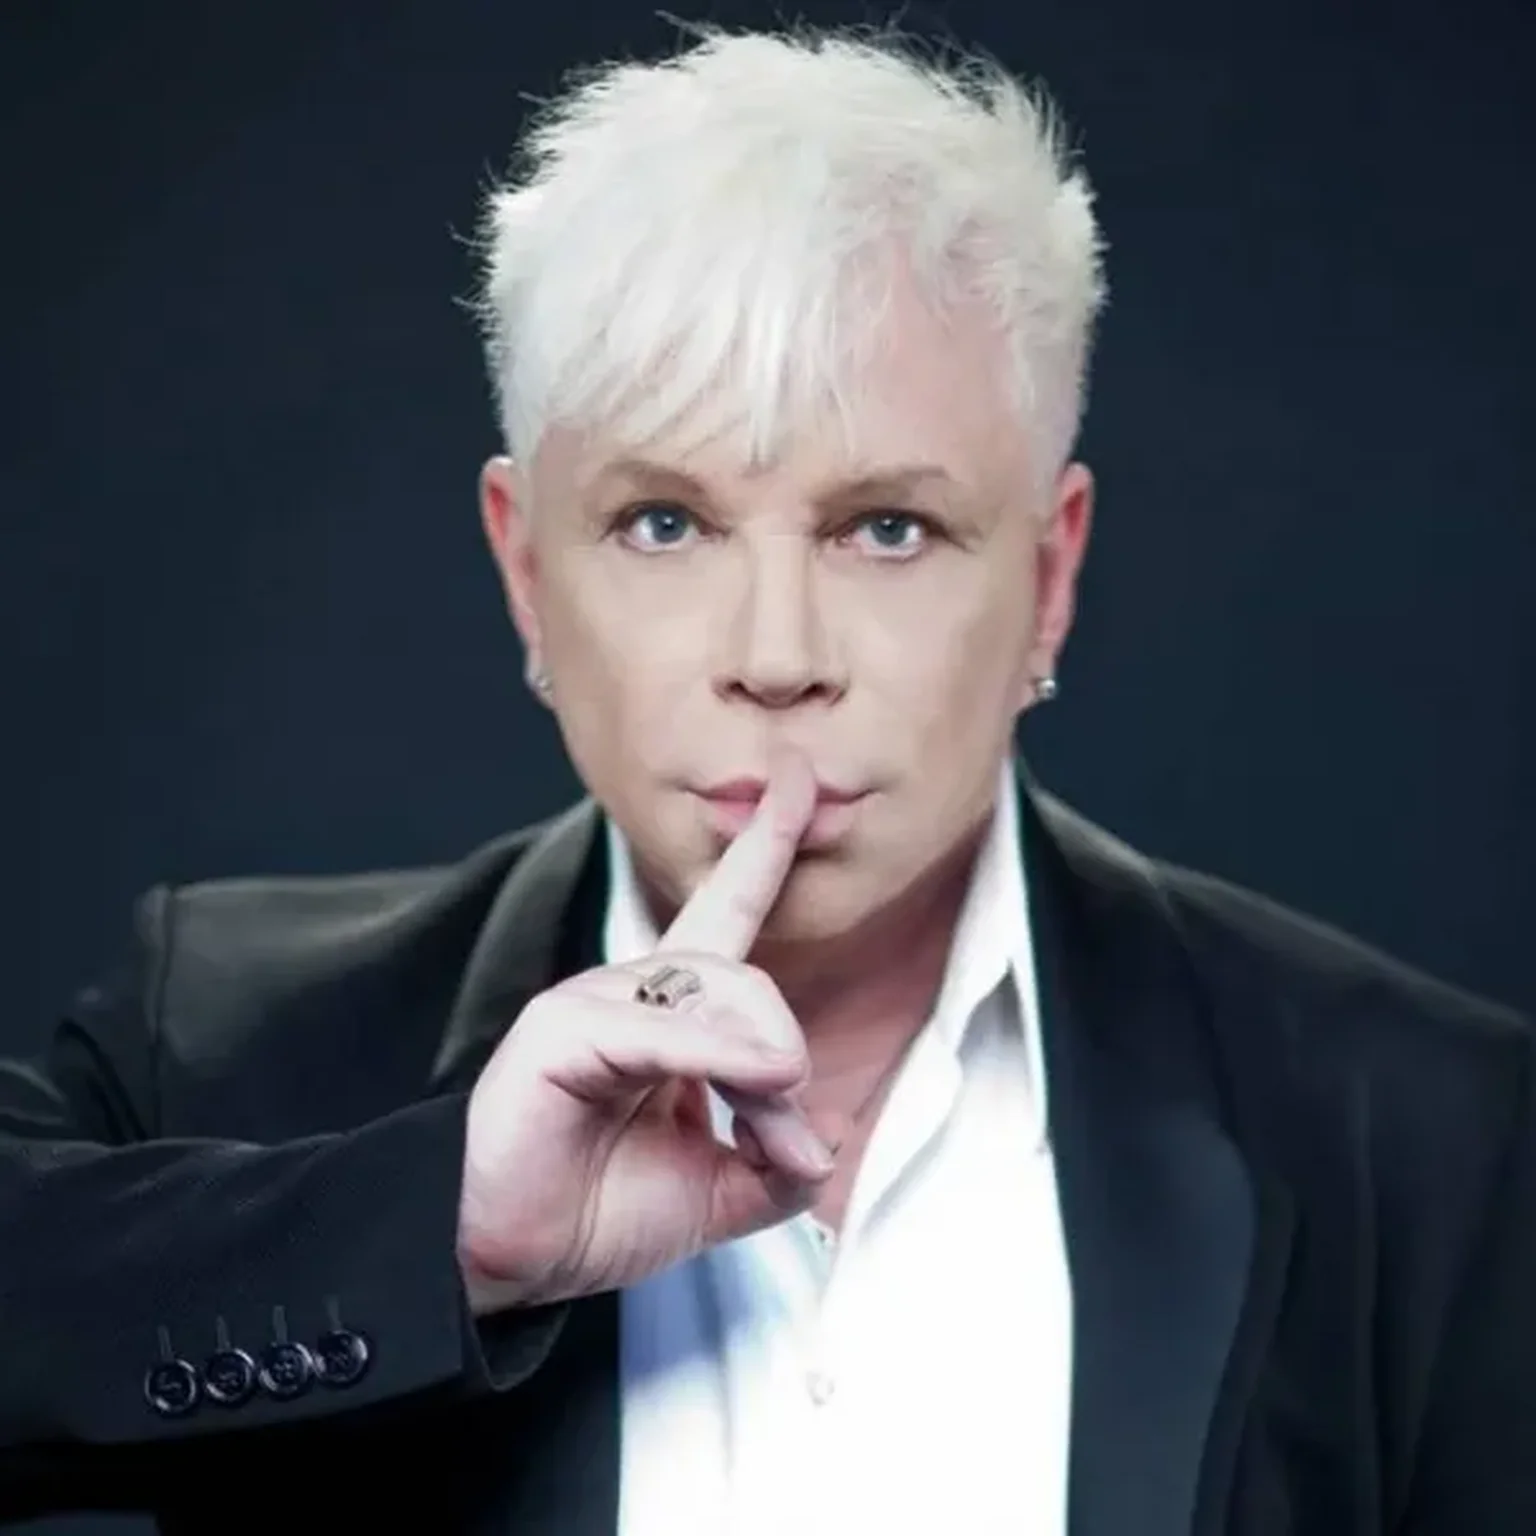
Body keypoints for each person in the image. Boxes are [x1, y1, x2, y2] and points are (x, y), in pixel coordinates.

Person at [2, 20, 1533, 1536]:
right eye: (664, 524)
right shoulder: (224, 1036)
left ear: (1049, 579)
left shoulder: (1432, 1133)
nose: (777, 656)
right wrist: (441, 1229)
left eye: (888, 529)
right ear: (527, 573)